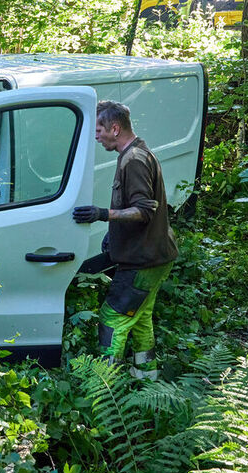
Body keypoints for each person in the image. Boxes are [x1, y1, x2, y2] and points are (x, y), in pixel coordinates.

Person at [72, 101, 178, 380]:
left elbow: (144, 210)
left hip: (143, 261)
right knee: (140, 318)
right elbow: (133, 206)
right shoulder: (135, 153)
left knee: (113, 317)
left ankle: (106, 386)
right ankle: (147, 377)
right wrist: (114, 230)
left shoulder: (134, 160)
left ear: (115, 129)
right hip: (154, 256)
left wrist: (102, 215)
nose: (96, 137)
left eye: (99, 130)